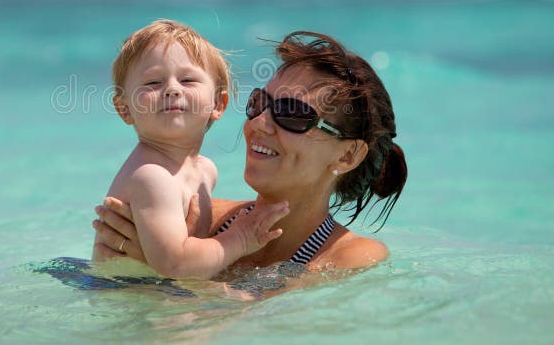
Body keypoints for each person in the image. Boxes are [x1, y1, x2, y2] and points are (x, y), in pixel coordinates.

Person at [93, 30, 407, 276]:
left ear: (348, 156)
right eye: (259, 103)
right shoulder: (201, 215)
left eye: (293, 113)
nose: (259, 123)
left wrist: (172, 284)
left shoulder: (349, 257)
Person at [92, 20, 291, 279]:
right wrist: (239, 238)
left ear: (218, 103)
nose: (172, 89)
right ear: (124, 109)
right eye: (152, 82)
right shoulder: (152, 177)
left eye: (187, 80)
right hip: (122, 297)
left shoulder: (206, 171)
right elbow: (177, 265)